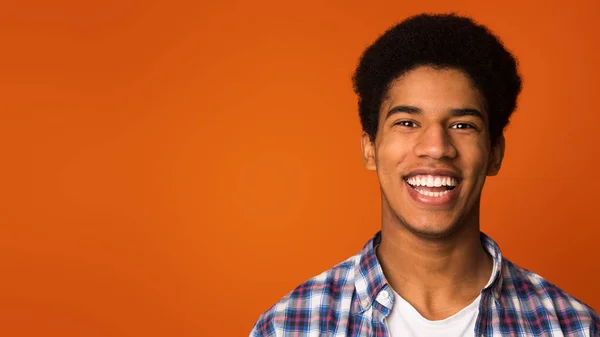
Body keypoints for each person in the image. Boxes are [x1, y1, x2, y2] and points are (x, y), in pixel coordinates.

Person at [249, 13, 600, 337]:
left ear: (495, 153)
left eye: (463, 125)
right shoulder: (288, 326)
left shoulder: (573, 328)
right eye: (407, 123)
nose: (436, 147)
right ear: (370, 148)